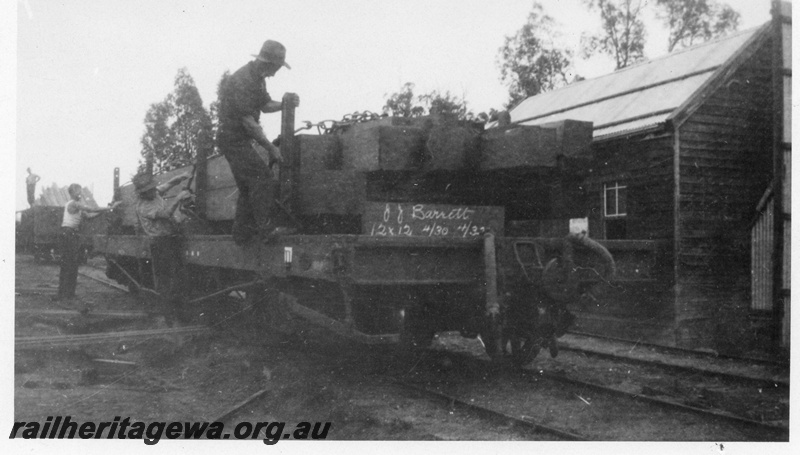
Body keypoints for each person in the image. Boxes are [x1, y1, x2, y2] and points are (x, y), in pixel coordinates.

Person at [216, 39, 300, 245]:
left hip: (238, 139)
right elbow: (249, 123)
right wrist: (271, 148)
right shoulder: (243, 80)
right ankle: (266, 229)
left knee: (247, 186)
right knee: (262, 179)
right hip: (233, 139)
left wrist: (285, 104)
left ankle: (241, 234)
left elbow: (264, 105)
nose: (277, 72)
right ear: (269, 63)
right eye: (278, 67)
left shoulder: (258, 78)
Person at [133, 171, 192, 318]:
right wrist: (178, 198)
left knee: (179, 274)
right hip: (160, 242)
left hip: (170, 238)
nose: (154, 191)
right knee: (165, 279)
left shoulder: (154, 192)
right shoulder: (144, 206)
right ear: (142, 193)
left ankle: (179, 310)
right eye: (149, 191)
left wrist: (178, 178)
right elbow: (165, 214)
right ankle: (168, 314)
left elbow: (168, 184)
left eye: (153, 188)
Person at [54, 184, 120, 302]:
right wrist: (110, 207)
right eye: (77, 192)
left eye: (80, 192)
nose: (80, 194)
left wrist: (106, 209)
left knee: (72, 265)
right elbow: (90, 209)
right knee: (69, 265)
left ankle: (68, 294)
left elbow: (89, 216)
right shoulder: (73, 204)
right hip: (68, 234)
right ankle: (64, 294)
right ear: (72, 193)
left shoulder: (77, 208)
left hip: (71, 234)